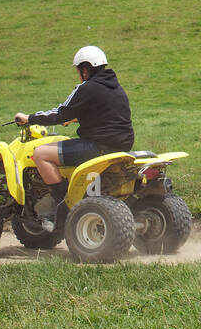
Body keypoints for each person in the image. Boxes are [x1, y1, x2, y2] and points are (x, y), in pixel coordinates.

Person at [14, 46, 135, 229]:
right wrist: (77, 117)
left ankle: (62, 203)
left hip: (96, 147)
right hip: (122, 145)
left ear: (85, 70)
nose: (79, 74)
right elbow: (107, 115)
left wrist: (29, 118)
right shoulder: (115, 87)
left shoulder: (86, 88)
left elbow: (59, 114)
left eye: (79, 70)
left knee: (40, 154)